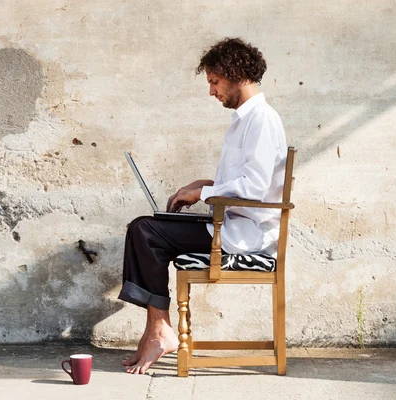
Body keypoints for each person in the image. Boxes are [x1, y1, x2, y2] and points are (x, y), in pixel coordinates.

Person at [118, 37, 287, 374]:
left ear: (236, 74)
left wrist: (202, 195)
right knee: (145, 231)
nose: (212, 92)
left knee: (145, 231)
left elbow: (254, 188)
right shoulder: (243, 120)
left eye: (214, 81)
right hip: (232, 222)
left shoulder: (262, 120)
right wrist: (203, 185)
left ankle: (158, 330)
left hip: (246, 234)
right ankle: (155, 329)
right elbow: (248, 181)